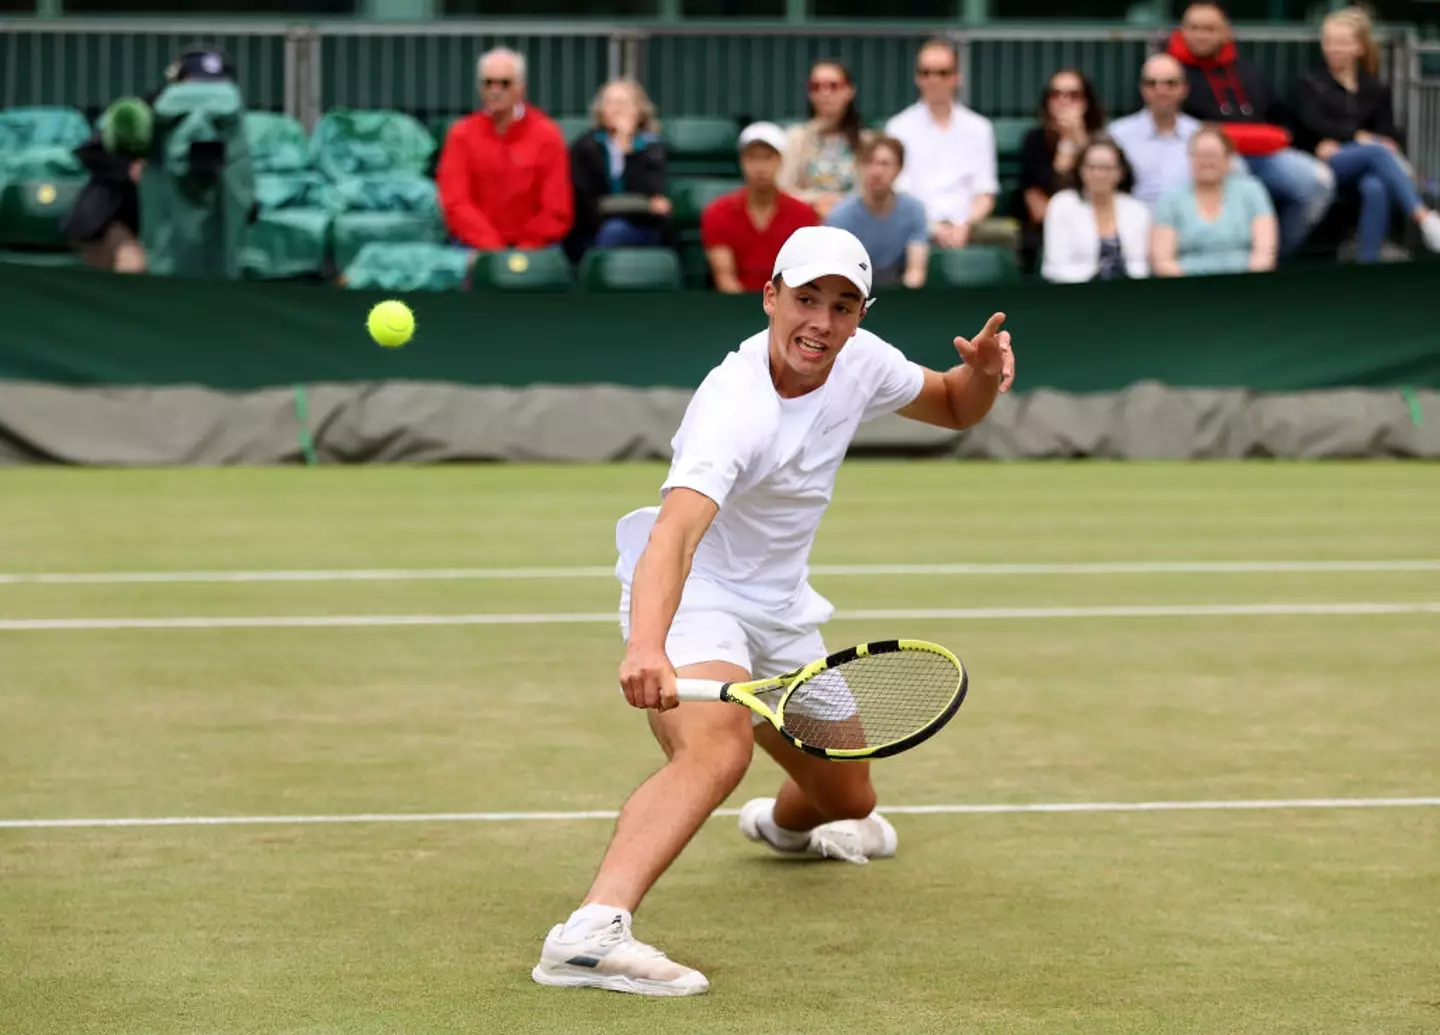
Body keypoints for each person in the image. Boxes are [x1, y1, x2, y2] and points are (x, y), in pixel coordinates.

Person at [530, 224, 1016, 997]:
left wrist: (984, 373)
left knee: (847, 799)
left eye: (843, 305)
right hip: (698, 601)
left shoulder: (862, 361)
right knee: (717, 748)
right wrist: (647, 644)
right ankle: (590, 932)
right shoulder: (734, 407)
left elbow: (956, 405)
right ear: (770, 297)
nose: (821, 321)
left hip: (782, 613)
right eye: (806, 299)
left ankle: (781, 828)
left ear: (861, 315)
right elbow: (675, 533)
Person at [1166, 1, 1334, 257]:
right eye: (1194, 28)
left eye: (1210, 28)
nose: (1201, 34)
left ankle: (1278, 254)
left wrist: (1283, 134)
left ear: (1225, 33)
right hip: (1217, 155)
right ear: (1183, 31)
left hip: (1264, 153)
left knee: (1319, 181)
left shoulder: (1247, 70)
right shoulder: (1171, 74)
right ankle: (1240, 260)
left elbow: (1278, 113)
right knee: (1241, 185)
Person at [1291, 6, 1440, 261]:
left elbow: (1387, 130)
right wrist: (1357, 137)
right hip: (1324, 161)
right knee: (1376, 150)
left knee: (1375, 186)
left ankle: (1368, 260)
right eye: (1328, 42)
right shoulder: (1309, 82)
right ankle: (1423, 217)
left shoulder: (1375, 88)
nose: (1332, 48)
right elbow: (1310, 123)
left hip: (1366, 163)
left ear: (1359, 48)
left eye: (1341, 43)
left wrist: (1385, 142)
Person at [436, 47, 573, 251]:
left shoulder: (547, 134)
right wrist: (493, 248)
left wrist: (524, 249)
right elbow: (456, 203)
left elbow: (556, 207)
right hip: (475, 244)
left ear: (521, 87)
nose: (495, 90)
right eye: (488, 83)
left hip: (537, 245)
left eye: (505, 83)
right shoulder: (461, 134)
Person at [885, 37, 1000, 250]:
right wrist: (932, 228)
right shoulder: (898, 127)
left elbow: (985, 192)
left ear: (957, 77)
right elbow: (899, 192)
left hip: (969, 230)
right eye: (925, 73)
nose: (933, 80)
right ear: (917, 78)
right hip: (913, 231)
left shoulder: (979, 128)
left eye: (943, 73)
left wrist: (964, 225)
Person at [700, 122, 818, 293]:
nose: (760, 167)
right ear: (742, 161)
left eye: (767, 157)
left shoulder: (803, 214)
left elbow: (803, 276)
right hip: (736, 308)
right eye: (752, 158)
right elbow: (724, 277)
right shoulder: (717, 212)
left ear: (780, 161)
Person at [565, 77, 672, 263]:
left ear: (639, 111)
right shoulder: (586, 147)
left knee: (616, 231)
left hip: (643, 228)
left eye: (623, 103)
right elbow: (585, 201)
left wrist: (627, 147)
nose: (616, 109)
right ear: (600, 110)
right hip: (594, 228)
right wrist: (641, 206)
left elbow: (651, 193)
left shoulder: (652, 147)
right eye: (610, 102)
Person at [1151, 124, 1277, 277]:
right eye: (1199, 155)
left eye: (1213, 155)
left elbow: (1265, 253)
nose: (1206, 162)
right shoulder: (1170, 199)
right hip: (1187, 289)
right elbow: (1162, 261)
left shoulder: (1252, 191)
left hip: (1245, 286)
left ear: (1228, 158)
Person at [1015, 68, 1106, 272]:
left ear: (1086, 102)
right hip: (1047, 230)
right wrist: (1066, 146)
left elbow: (1106, 192)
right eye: (1056, 95)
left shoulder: (1101, 143)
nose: (1064, 101)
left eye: (1073, 95)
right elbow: (1038, 209)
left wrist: (1080, 141)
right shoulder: (1034, 141)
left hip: (1099, 226)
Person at [824, 136, 930, 288]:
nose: (876, 171)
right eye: (869, 162)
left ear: (899, 169)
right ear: (858, 166)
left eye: (885, 164)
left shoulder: (914, 210)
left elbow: (916, 271)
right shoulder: (840, 217)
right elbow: (837, 273)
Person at [1041, 138, 1151, 283]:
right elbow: (1055, 266)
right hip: (1074, 294)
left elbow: (1142, 264)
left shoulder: (1137, 210)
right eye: (1091, 167)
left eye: (1107, 168)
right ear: (1080, 170)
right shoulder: (1062, 204)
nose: (1099, 174)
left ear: (1120, 172)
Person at [778, 59, 873, 219]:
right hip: (806, 223)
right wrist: (816, 200)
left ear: (849, 91)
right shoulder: (795, 138)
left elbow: (875, 193)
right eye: (816, 87)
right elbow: (783, 190)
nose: (825, 93)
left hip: (856, 224)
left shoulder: (868, 142)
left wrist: (842, 203)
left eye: (833, 86)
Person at [1107, 53, 1201, 208]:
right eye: (1152, 83)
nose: (1161, 90)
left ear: (1184, 88)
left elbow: (1236, 181)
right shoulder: (1117, 135)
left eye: (1170, 83)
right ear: (1142, 89)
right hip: (1132, 224)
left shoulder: (1201, 135)